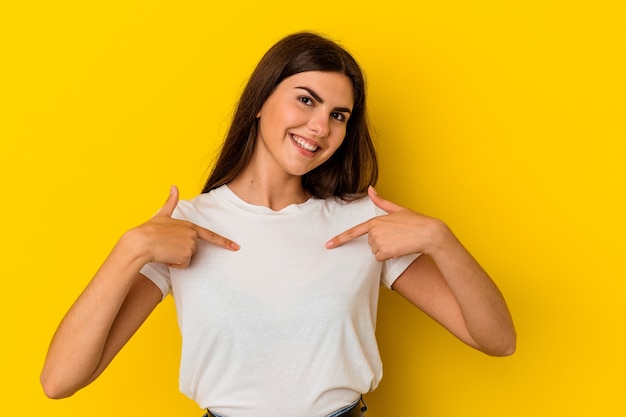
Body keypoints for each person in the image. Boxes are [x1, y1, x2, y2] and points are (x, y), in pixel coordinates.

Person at [40, 32, 516, 417]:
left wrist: (441, 240)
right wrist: (130, 249)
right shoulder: (187, 228)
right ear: (261, 101)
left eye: (338, 116)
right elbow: (59, 381)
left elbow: (497, 340)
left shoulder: (362, 224)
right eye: (306, 101)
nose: (320, 127)